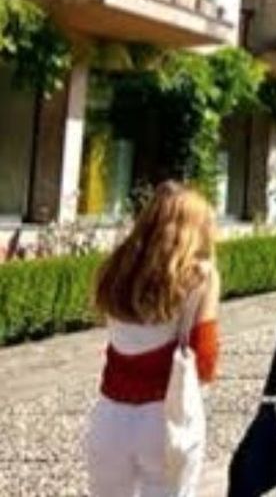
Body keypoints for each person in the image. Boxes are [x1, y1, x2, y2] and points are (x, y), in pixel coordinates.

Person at [85, 183, 221, 497]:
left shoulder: (115, 269)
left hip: (110, 415)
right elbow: (206, 356)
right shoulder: (200, 276)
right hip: (165, 416)